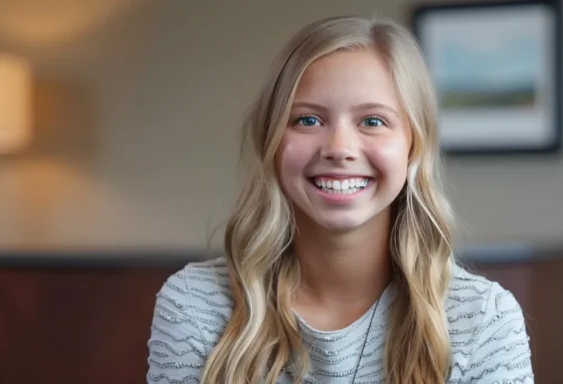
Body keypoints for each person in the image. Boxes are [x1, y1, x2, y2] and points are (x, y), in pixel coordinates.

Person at [146, 15, 533, 384]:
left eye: (373, 121)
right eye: (308, 120)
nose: (339, 148)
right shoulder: (194, 305)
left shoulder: (483, 319)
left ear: (413, 145)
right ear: (272, 141)